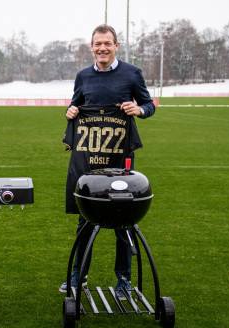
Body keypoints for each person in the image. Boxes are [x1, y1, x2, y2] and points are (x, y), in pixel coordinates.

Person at [60, 24, 155, 299]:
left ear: (116, 46)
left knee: (123, 223)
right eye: (97, 44)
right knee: (85, 221)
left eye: (107, 43)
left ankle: (124, 281)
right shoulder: (83, 76)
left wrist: (138, 109)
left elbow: (149, 105)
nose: (102, 48)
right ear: (92, 47)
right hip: (89, 161)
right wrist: (71, 111)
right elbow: (74, 107)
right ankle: (79, 276)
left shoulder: (132, 73)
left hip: (121, 161)